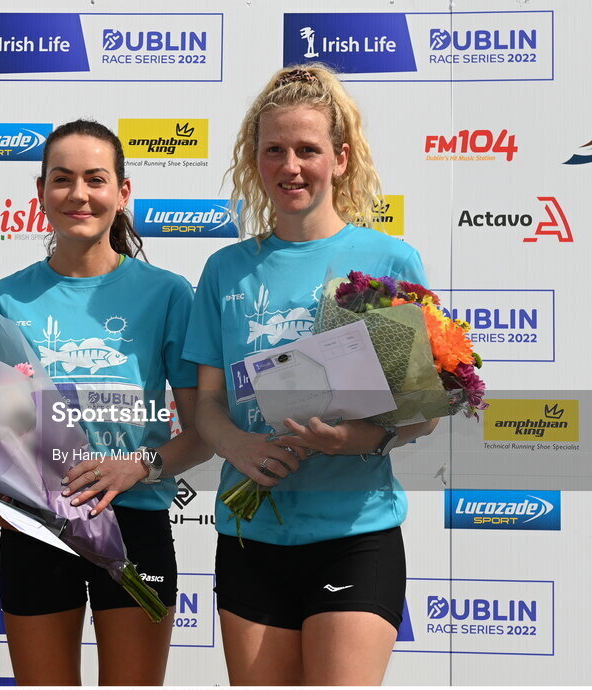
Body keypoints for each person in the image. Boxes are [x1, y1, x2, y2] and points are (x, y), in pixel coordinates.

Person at [183, 65, 439, 685]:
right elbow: (203, 405)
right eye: (275, 150)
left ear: (340, 158)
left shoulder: (389, 260)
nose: (290, 165)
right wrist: (239, 446)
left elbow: (423, 412)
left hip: (355, 529)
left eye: (308, 150)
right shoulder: (225, 270)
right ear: (256, 158)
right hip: (251, 535)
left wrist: (356, 440)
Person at [0, 119, 212, 685]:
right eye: (62, 179)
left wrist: (141, 465)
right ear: (41, 193)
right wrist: (1, 486)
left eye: (96, 179)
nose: (79, 194)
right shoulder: (5, 297)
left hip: (136, 523)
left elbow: (203, 432)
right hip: (36, 527)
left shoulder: (168, 293)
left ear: (122, 193)